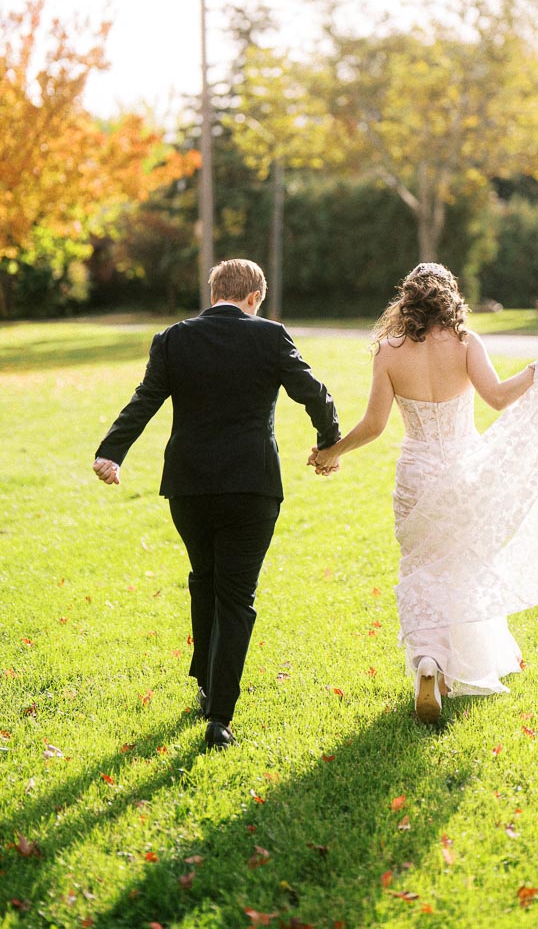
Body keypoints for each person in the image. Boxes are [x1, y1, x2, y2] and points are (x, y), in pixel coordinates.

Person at [309, 263, 538, 725]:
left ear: (407, 302)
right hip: (465, 471)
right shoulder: (466, 343)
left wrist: (333, 451)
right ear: (450, 299)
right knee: (460, 566)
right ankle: (442, 669)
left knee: (421, 567)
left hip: (416, 475)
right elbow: (500, 398)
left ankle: (430, 661)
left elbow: (374, 425)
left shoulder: (388, 351)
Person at [93, 258, 340, 750]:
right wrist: (328, 444)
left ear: (214, 294)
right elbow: (314, 393)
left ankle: (206, 682)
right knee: (236, 597)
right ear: (254, 298)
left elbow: (145, 399)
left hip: (188, 487)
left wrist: (110, 453)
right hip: (252, 486)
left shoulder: (173, 339)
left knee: (204, 579)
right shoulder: (270, 336)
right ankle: (219, 715)